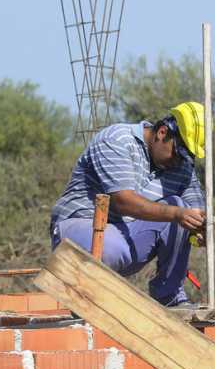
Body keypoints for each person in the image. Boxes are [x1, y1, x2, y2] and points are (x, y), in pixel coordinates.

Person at [50, 101, 206, 307]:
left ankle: (169, 295)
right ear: (162, 132)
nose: (179, 162)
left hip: (124, 240)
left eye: (187, 157)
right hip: (80, 226)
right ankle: (88, 299)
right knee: (172, 214)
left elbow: (197, 210)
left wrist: (201, 228)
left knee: (181, 208)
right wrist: (178, 214)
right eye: (178, 153)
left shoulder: (182, 166)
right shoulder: (117, 140)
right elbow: (123, 202)